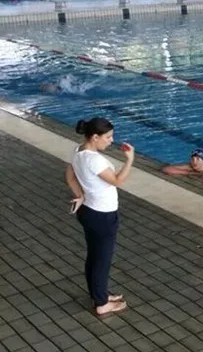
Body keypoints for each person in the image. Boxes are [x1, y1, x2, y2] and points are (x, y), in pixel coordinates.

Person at [65, 117, 132, 316]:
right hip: (102, 215)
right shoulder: (95, 160)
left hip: (88, 211)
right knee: (102, 260)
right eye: (108, 137)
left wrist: (80, 195)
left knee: (94, 257)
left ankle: (99, 294)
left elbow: (69, 174)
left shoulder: (79, 150)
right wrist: (130, 160)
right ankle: (101, 304)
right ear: (95, 137)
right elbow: (118, 181)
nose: (111, 141)